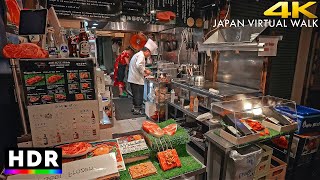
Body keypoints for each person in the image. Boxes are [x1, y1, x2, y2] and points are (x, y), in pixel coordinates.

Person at [128, 39, 158, 115]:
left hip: (134, 78)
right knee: (138, 95)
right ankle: (137, 110)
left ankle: (135, 107)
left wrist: (143, 72)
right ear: (147, 51)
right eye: (149, 54)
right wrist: (145, 71)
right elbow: (139, 65)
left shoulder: (137, 54)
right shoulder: (141, 55)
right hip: (136, 79)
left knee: (135, 94)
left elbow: (138, 66)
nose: (149, 56)